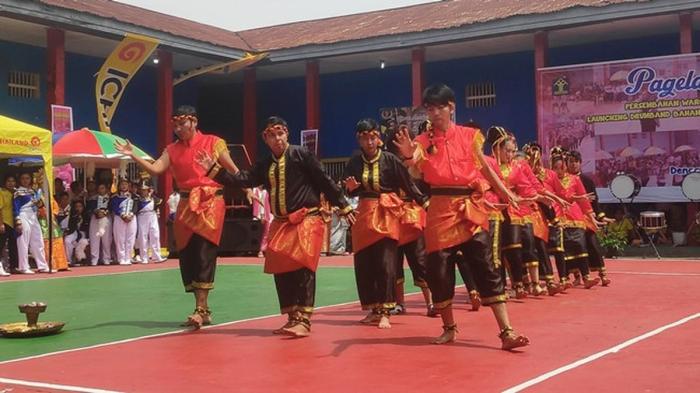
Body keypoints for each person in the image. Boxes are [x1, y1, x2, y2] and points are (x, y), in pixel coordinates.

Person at [393, 84, 528, 349]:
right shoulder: (422, 142)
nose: (433, 113)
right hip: (440, 209)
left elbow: (487, 171)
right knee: (439, 270)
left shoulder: (470, 136)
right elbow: (416, 175)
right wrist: (409, 159)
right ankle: (449, 328)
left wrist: (504, 193)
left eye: (437, 107)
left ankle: (507, 331)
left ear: (451, 107)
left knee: (486, 265)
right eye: (429, 109)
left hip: (469, 207)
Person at [195, 115, 354, 337]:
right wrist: (214, 170)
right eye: (272, 135)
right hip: (280, 223)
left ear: (287, 134)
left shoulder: (301, 154)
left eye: (280, 133)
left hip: (306, 219)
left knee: (303, 267)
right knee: (282, 269)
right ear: (265, 138)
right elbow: (244, 179)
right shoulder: (265, 163)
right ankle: (292, 317)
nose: (277, 139)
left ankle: (304, 320)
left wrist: (343, 206)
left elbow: (323, 180)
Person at [115, 105, 237, 329]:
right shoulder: (171, 149)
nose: (179, 129)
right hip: (185, 204)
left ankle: (200, 309)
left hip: (210, 204)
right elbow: (155, 169)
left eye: (183, 124)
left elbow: (233, 171)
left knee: (203, 252)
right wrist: (132, 154)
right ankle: (204, 308)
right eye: (176, 125)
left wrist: (246, 187)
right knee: (189, 255)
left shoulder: (214, 142)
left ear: (194, 122)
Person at [342, 118, 428, 329]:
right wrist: (350, 189)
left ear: (378, 138)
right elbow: (344, 188)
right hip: (364, 214)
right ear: (359, 140)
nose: (369, 142)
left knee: (386, 263)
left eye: (372, 137)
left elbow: (408, 185)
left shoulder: (390, 160)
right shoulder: (354, 162)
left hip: (386, 213)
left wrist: (424, 202)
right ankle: (373, 308)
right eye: (364, 138)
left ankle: (386, 311)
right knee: (364, 263)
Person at [567, 150, 610, 286]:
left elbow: (594, 201)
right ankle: (577, 276)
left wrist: (601, 217)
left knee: (592, 243)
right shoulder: (564, 180)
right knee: (573, 247)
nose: (573, 164)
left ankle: (603, 275)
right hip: (571, 218)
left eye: (575, 162)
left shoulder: (587, 180)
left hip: (587, 217)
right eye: (570, 162)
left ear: (580, 163)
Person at [13, 172, 50, 274]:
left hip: (33, 216)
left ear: (30, 180)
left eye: (27, 178)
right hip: (23, 215)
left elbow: (38, 205)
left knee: (38, 240)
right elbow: (15, 207)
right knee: (23, 241)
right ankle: (23, 267)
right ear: (20, 180)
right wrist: (18, 220)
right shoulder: (18, 192)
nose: (25, 180)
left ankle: (42, 265)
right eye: (23, 178)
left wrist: (39, 204)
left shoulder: (33, 191)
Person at [136, 180, 165, 263]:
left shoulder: (153, 198)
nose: (143, 191)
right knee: (143, 236)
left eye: (145, 189)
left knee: (155, 235)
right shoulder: (138, 199)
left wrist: (151, 193)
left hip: (152, 216)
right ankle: (144, 257)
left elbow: (158, 203)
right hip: (142, 216)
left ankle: (156, 255)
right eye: (142, 190)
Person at [110, 177, 137, 266]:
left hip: (131, 218)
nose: (124, 186)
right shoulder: (115, 197)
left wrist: (131, 215)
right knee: (119, 239)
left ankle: (128, 257)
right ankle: (121, 258)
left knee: (130, 238)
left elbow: (136, 206)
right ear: (119, 186)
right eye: (122, 184)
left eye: (125, 184)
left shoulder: (134, 196)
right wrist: (122, 215)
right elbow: (114, 206)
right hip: (119, 218)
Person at [87, 183, 113, 266]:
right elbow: (89, 208)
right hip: (95, 219)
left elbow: (112, 208)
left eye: (103, 188)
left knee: (106, 240)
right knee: (94, 239)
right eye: (99, 188)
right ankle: (94, 259)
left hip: (106, 219)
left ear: (106, 189)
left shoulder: (110, 198)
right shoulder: (93, 199)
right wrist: (96, 212)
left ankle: (106, 258)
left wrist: (105, 213)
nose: (101, 190)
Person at [0, 175, 18, 275]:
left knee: (13, 245)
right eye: (8, 181)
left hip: (13, 223)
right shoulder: (1, 192)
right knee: (1, 245)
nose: (11, 183)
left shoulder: (16, 193)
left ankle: (13, 267)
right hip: (4, 222)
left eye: (13, 181)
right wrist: (1, 223)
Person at [64, 200, 90, 266]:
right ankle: (68, 260)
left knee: (82, 242)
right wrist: (75, 217)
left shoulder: (87, 216)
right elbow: (70, 227)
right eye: (76, 207)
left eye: (80, 206)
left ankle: (81, 259)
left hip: (84, 234)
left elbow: (88, 229)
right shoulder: (71, 216)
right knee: (67, 241)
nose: (78, 208)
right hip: (74, 232)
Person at [251, 185, 272, 257]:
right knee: (257, 233)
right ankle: (256, 249)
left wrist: (263, 215)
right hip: (257, 215)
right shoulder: (254, 190)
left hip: (266, 215)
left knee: (266, 233)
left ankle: (262, 250)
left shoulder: (266, 191)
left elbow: (264, 204)